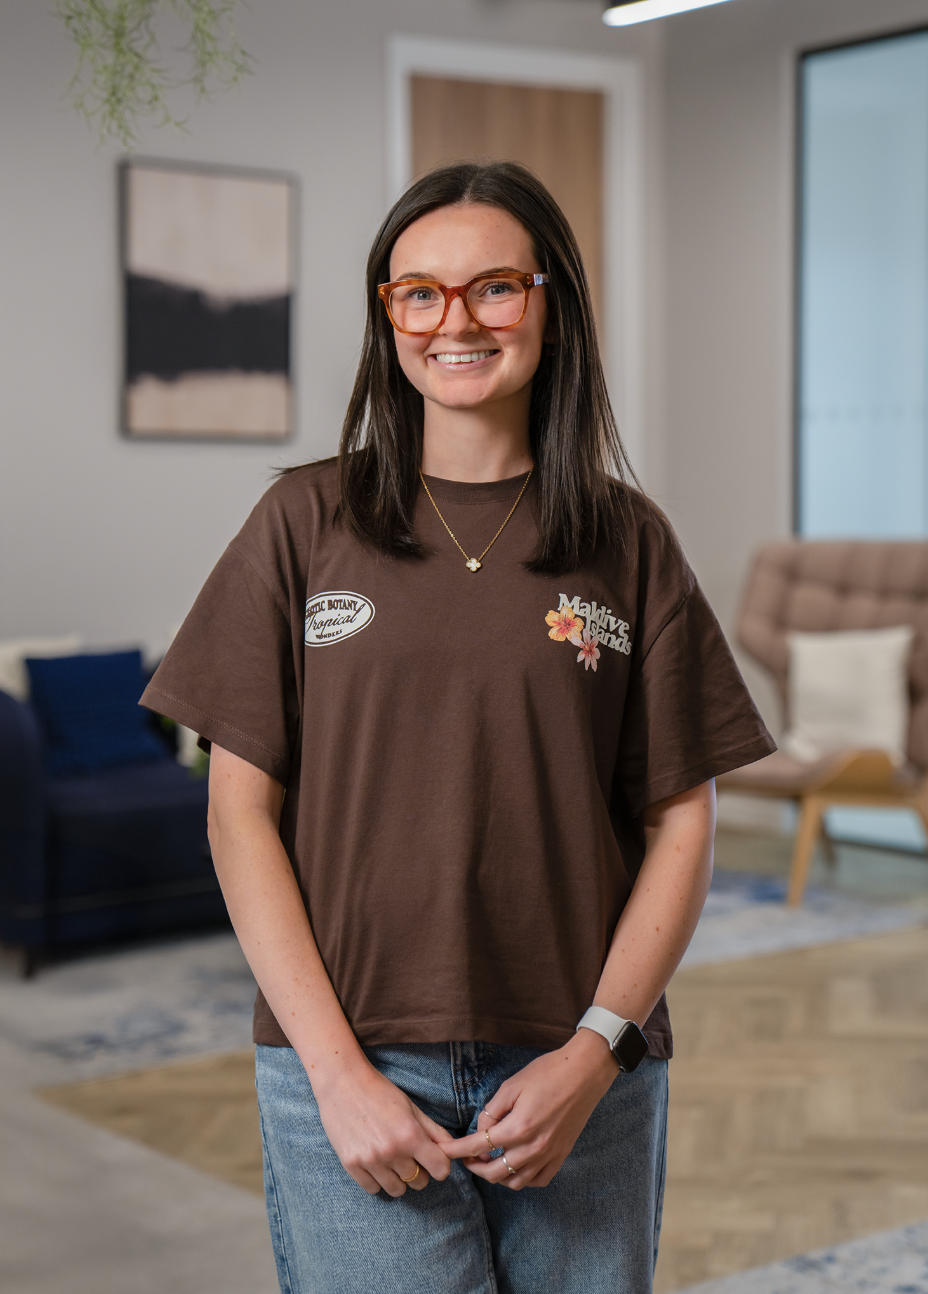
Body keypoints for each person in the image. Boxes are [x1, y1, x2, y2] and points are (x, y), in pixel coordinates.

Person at [142, 160, 774, 1294]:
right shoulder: (302, 522)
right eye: (418, 293)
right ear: (388, 318)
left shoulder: (627, 541)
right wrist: (336, 1075)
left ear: (551, 304)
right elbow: (240, 816)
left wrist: (595, 1050)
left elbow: (682, 818)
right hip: (354, 1065)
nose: (456, 321)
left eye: (495, 287)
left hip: (581, 1069)